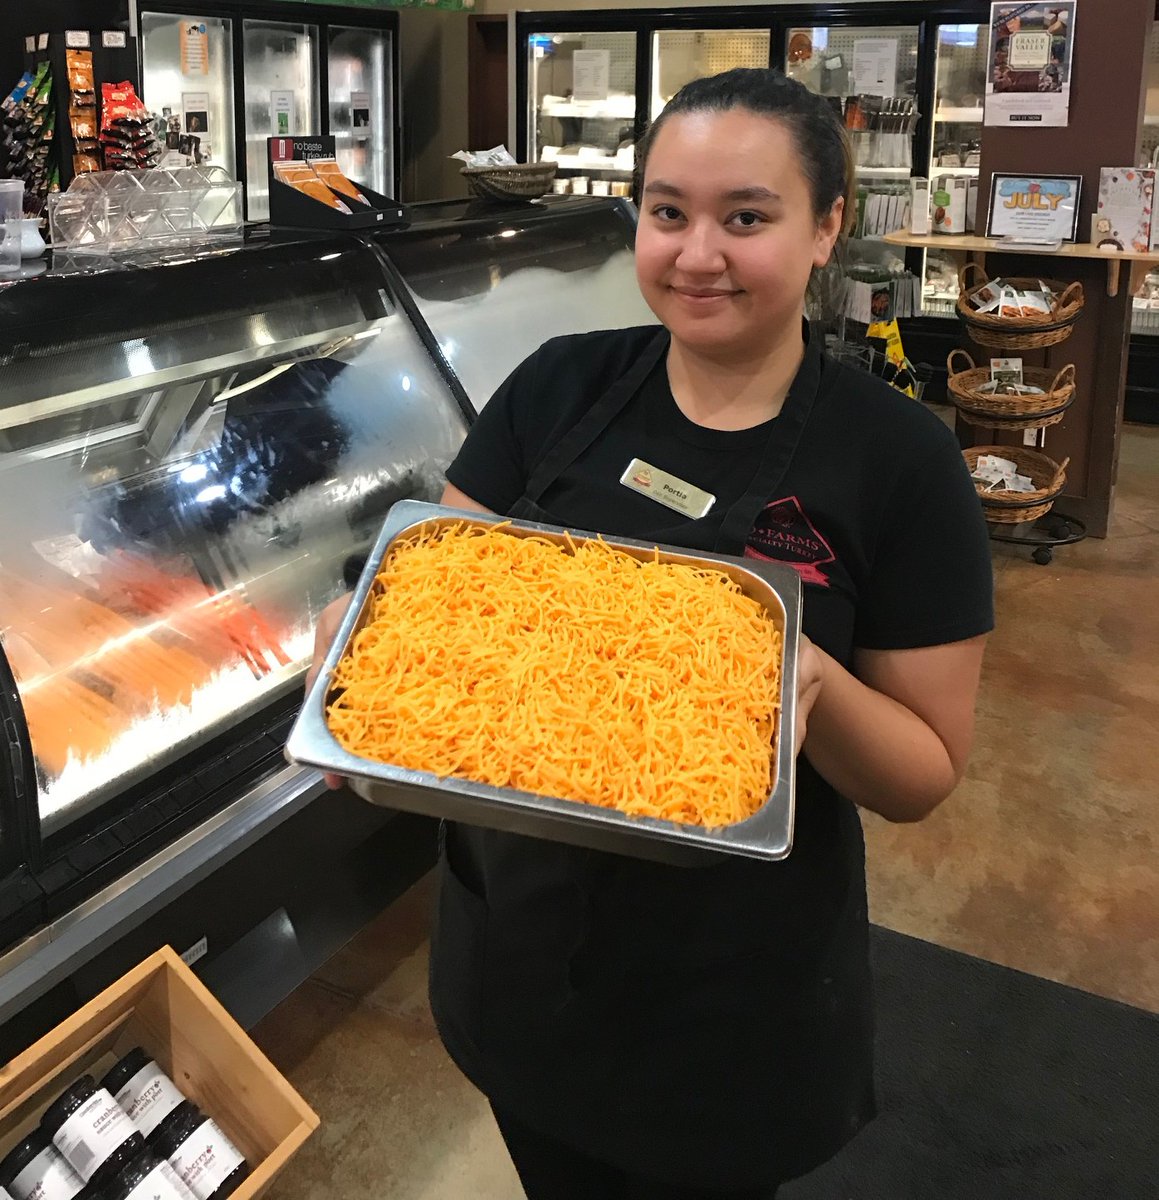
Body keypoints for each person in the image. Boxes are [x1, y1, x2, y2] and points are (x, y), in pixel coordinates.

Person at [308, 68, 993, 1198]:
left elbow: (923, 772)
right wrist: (363, 633)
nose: (695, 253)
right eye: (666, 211)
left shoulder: (900, 462)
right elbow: (443, 574)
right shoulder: (561, 385)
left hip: (720, 1000)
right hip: (520, 950)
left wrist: (806, 680)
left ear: (827, 228)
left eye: (747, 217)